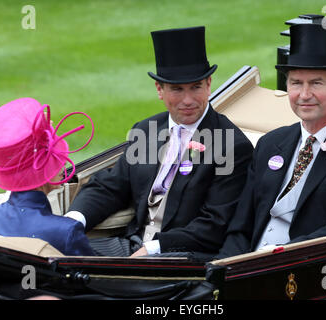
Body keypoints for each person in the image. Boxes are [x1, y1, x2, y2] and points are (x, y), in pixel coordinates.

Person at [66, 26, 253, 258]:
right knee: (59, 258)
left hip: (182, 258)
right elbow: (111, 186)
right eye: (177, 89)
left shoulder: (232, 146)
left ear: (209, 85)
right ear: (159, 90)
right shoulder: (146, 130)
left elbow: (215, 224)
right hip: (130, 245)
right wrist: (73, 221)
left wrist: (153, 249)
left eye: (196, 87)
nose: (188, 100)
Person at [217, 23, 326, 258]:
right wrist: (224, 269)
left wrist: (277, 258)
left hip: (305, 272)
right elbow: (239, 227)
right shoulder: (270, 143)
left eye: (316, 83)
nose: (305, 95)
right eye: (296, 83)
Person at [0, 97, 95, 256]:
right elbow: (97, 278)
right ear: (42, 172)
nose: (62, 163)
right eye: (55, 157)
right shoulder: (66, 232)